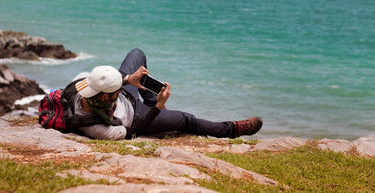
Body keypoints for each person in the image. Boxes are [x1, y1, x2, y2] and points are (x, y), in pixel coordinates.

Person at [68, 48, 263, 140]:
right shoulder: (98, 129)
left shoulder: (83, 82)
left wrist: (127, 80)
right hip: (137, 117)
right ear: (105, 97)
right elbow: (133, 131)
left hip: (125, 96)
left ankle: (156, 106)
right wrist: (157, 109)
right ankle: (231, 130)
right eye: (115, 88)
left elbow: (113, 86)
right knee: (187, 120)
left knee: (137, 55)